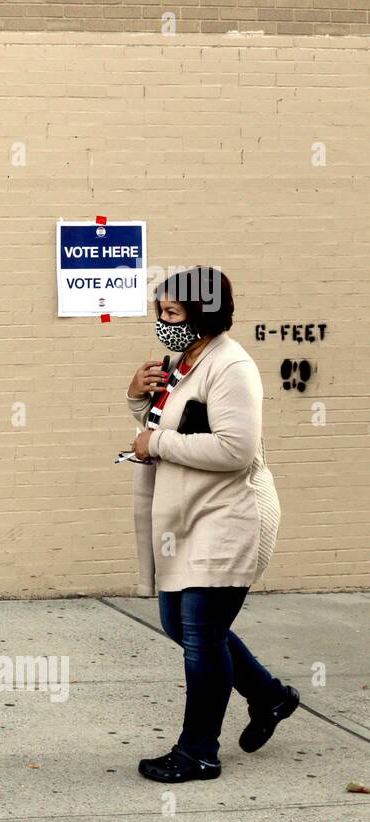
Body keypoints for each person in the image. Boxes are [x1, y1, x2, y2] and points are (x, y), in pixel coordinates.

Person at [124, 267, 297, 783]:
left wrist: (154, 445)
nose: (163, 323)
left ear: (203, 314)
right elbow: (165, 424)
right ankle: (268, 697)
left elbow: (235, 450)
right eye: (161, 313)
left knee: (200, 633)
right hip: (190, 513)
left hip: (230, 514)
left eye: (173, 314)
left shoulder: (231, 366)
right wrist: (137, 396)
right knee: (183, 624)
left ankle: (199, 751)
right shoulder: (184, 361)